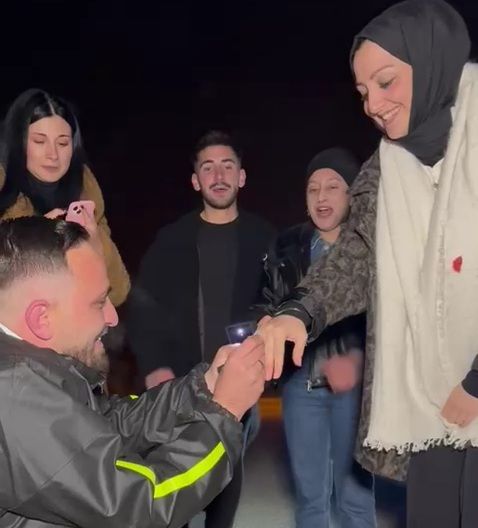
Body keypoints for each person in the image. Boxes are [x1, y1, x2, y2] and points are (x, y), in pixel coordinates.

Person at [256, 1, 478, 526]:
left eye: (386, 82)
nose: (373, 105)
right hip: (431, 403)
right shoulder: (387, 167)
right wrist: (298, 312)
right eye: (362, 92)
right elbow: (357, 255)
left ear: (430, 62)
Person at [0, 215, 266, 528]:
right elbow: (140, 504)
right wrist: (224, 412)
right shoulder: (16, 396)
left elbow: (106, 424)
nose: (112, 317)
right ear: (41, 319)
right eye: (99, 302)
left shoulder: (32, 373)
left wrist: (203, 388)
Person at [128, 130, 275, 528]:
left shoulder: (264, 238)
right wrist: (155, 365)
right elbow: (143, 308)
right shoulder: (171, 240)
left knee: (226, 487)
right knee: (174, 492)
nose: (219, 175)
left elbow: (279, 305)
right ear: (195, 181)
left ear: (242, 176)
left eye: (228, 166)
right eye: (208, 168)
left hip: (239, 383)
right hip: (183, 387)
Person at [258, 147, 375, 527]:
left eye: (333, 186)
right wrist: (264, 324)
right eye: (313, 189)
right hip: (301, 388)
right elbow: (266, 302)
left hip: (355, 391)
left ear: (353, 193)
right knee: (310, 500)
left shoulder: (371, 247)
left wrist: (357, 359)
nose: (321, 197)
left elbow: (389, 317)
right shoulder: (286, 245)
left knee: (356, 501)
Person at [0, 88, 130, 307]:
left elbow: (117, 293)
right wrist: (34, 239)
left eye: (62, 143)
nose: (53, 154)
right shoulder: (4, 189)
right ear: (18, 143)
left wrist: (93, 240)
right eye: (39, 141)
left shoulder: (84, 194)